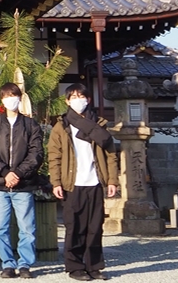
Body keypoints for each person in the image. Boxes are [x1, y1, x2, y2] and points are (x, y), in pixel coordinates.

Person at [48, 83, 118, 282]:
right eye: (74, 97)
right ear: (67, 101)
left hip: (95, 181)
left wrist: (112, 180)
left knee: (95, 226)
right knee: (74, 226)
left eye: (82, 96)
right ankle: (75, 266)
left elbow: (111, 154)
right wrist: (56, 182)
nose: (79, 100)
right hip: (72, 183)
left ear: (88, 99)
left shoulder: (100, 124)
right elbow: (54, 156)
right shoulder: (61, 126)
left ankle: (94, 266)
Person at [0, 83, 44, 279]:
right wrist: (5, 173)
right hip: (0, 185)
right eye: (7, 96)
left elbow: (36, 154)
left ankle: (25, 264)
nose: (11, 99)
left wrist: (17, 173)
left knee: (27, 228)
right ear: (2, 100)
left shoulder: (30, 125)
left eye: (14, 95)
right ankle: (7, 263)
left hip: (23, 184)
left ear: (20, 98)